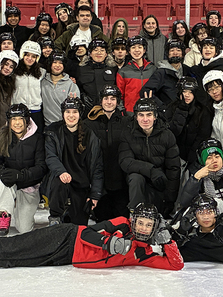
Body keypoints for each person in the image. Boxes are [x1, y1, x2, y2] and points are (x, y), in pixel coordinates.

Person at [0, 202, 183, 271]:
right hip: (67, 238)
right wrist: (110, 241)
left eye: (149, 225)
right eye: (141, 221)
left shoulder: (144, 253)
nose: (143, 227)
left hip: (66, 258)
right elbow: (90, 232)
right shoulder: (122, 224)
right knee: (14, 247)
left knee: (17, 260)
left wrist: (167, 241)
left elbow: (175, 264)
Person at [45, 97, 104, 225]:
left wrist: (95, 194)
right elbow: (51, 157)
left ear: (80, 114)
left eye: (75, 112)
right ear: (63, 113)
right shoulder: (53, 131)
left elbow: (97, 167)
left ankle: (70, 213)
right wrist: (61, 172)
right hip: (62, 179)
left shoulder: (91, 135)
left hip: (82, 184)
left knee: (79, 227)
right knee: (58, 182)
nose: (71, 115)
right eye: (67, 112)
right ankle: (55, 216)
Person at [0, 104, 48, 236]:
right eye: (13, 119)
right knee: (3, 182)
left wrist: (20, 175)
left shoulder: (38, 138)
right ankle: (4, 214)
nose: (17, 123)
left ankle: (20, 211)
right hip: (9, 182)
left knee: (24, 229)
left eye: (20, 119)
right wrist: (4, 173)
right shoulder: (3, 136)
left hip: (29, 184)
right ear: (9, 121)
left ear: (26, 120)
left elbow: (41, 167)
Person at [119, 98, 181, 216]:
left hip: (160, 181)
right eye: (141, 115)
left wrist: (170, 199)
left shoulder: (167, 135)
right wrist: (151, 170)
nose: (145, 119)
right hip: (137, 182)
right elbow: (125, 161)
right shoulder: (128, 133)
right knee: (136, 178)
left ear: (155, 117)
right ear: (136, 117)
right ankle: (134, 214)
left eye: (149, 115)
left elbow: (173, 168)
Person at [87, 85, 130, 220]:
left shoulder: (127, 122)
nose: (109, 101)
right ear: (101, 100)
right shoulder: (89, 123)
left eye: (113, 98)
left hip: (121, 183)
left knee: (121, 221)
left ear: (118, 101)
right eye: (106, 98)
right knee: (102, 220)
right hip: (100, 182)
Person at [176, 139, 223, 216]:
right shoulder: (193, 174)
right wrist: (196, 179)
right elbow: (185, 202)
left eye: (217, 156)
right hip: (208, 220)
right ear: (202, 160)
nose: (214, 161)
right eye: (209, 158)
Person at [165, 77, 213, 175]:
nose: (187, 95)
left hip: (194, 156)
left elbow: (203, 135)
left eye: (190, 92)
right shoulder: (172, 107)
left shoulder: (203, 110)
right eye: (184, 91)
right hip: (175, 155)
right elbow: (170, 132)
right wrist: (181, 111)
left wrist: (193, 156)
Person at [140, 39, 193, 112]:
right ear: (167, 53)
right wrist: (162, 108)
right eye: (172, 50)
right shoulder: (160, 72)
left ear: (182, 53)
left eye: (178, 50)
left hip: (186, 113)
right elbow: (146, 91)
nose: (175, 53)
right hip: (168, 117)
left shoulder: (187, 70)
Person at [12, 41, 46, 133]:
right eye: (27, 55)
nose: (30, 58)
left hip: (36, 111)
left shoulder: (42, 72)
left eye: (33, 56)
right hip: (18, 112)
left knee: (37, 139)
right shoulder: (14, 72)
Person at [116, 36, 157, 113]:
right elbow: (119, 96)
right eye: (133, 47)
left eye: (139, 47)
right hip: (130, 113)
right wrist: (122, 112)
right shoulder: (123, 72)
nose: (137, 50)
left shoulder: (153, 69)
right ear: (129, 51)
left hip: (149, 113)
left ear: (144, 50)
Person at [77, 38, 118, 113]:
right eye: (95, 50)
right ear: (90, 53)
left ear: (106, 54)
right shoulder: (81, 69)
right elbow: (78, 87)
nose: (99, 53)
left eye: (102, 50)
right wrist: (83, 99)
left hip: (109, 110)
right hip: (87, 110)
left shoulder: (114, 69)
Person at [40, 52, 80, 127]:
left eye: (60, 63)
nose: (57, 65)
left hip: (66, 126)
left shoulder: (70, 84)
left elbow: (75, 108)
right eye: (55, 62)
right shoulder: (42, 82)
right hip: (48, 126)